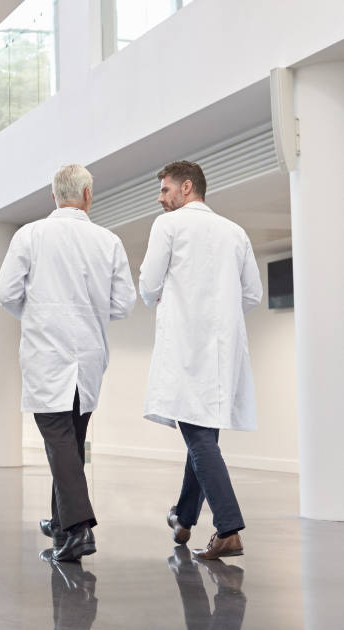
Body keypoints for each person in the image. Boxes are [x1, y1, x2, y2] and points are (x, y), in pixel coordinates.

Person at [0, 164, 136, 562]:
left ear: (53, 196)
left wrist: (36, 313)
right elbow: (123, 303)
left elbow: (5, 292)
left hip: (47, 355)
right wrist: (89, 311)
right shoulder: (108, 240)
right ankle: (60, 523)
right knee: (70, 443)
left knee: (59, 442)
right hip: (88, 358)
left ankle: (78, 529)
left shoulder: (31, 235)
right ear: (88, 195)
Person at [139, 160, 262, 560]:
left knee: (197, 437)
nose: (161, 199)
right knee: (203, 436)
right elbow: (252, 295)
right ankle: (184, 516)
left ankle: (228, 528)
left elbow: (148, 285)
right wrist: (222, 313)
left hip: (185, 346)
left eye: (165, 190)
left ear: (186, 187)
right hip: (222, 352)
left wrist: (162, 295)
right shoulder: (235, 232)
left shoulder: (169, 226)